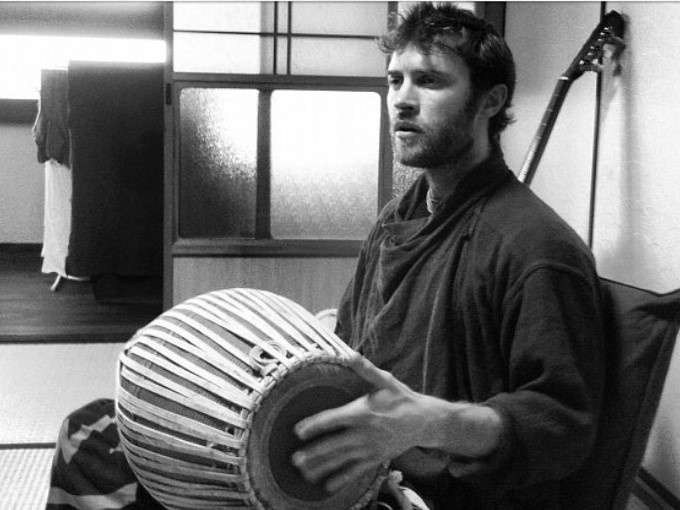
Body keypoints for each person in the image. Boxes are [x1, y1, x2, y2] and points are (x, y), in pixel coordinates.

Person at [290, 3, 606, 510]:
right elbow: (352, 337)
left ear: (490, 101)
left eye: (430, 81)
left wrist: (429, 422)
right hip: (374, 476)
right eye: (395, 80)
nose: (402, 100)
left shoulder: (536, 248)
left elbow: (562, 427)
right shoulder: (397, 217)